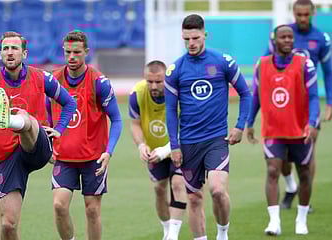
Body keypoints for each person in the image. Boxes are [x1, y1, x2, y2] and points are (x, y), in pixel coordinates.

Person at [0, 31, 76, 240]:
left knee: (26, 120)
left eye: (15, 48)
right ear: (0, 54)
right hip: (9, 156)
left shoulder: (41, 77)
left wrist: (59, 130)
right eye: (6, 49)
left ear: (24, 54)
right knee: (8, 225)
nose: (10, 53)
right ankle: (13, 120)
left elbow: (69, 103)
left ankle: (12, 120)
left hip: (37, 145)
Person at [165, 14, 252, 240]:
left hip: (216, 140)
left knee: (217, 190)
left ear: (205, 34)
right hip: (188, 142)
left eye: (195, 38)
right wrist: (174, 145)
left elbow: (245, 93)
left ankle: (222, 233)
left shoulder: (223, 61)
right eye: (186, 39)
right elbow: (171, 112)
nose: (191, 43)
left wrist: (239, 126)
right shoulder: (175, 70)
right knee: (194, 198)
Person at [47, 30, 123, 240]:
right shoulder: (53, 80)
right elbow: (45, 115)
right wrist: (48, 145)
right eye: (68, 52)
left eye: (77, 52)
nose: (72, 57)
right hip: (64, 158)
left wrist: (109, 152)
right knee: (59, 205)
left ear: (86, 52)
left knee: (92, 210)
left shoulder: (99, 82)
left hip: (94, 158)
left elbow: (116, 119)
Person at [247, 25, 319, 235]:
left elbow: (314, 97)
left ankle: (301, 219)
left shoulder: (306, 64)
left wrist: (312, 123)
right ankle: (274, 222)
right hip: (273, 131)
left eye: (290, 37)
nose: (287, 40)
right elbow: (256, 96)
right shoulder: (262, 65)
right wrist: (249, 123)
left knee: (304, 174)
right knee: (272, 171)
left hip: (299, 130)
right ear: (274, 40)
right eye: (283, 37)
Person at [264, 0, 332, 211]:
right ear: (293, 14)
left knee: (307, 156)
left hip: (307, 109)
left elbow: (328, 73)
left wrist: (329, 102)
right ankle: (291, 186)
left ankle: (306, 199)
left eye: (306, 14)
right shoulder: (281, 35)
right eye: (299, 15)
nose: (303, 18)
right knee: (281, 158)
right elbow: (266, 67)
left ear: (312, 13)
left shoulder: (321, 38)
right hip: (282, 106)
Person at [129, 60, 188, 240]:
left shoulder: (179, 94)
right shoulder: (137, 94)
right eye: (149, 81)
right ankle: (166, 229)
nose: (153, 86)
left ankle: (173, 235)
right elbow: (135, 124)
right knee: (159, 189)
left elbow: (187, 129)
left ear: (166, 79)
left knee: (178, 185)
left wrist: (166, 150)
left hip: (179, 147)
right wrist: (141, 145)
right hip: (154, 152)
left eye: (158, 81)